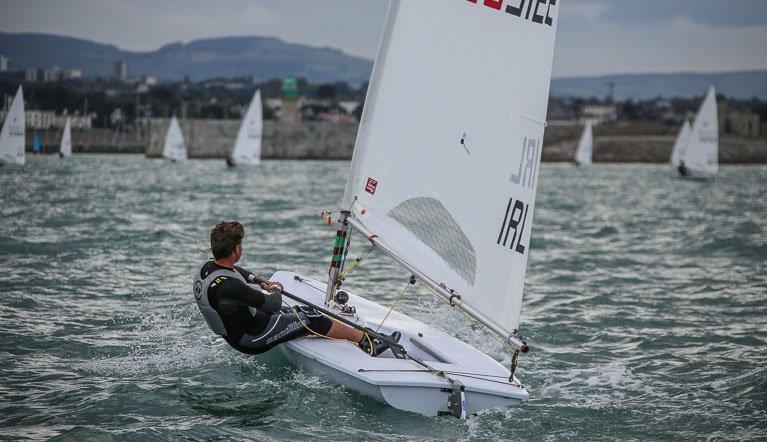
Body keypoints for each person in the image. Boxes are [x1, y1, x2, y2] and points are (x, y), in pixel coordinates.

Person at [193, 221, 400, 356]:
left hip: (243, 325)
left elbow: (237, 270)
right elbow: (273, 304)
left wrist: (259, 280)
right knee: (309, 316)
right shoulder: (231, 288)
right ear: (237, 249)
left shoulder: (208, 268)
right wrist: (275, 288)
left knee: (296, 312)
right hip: (251, 339)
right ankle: (368, 342)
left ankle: (342, 333)